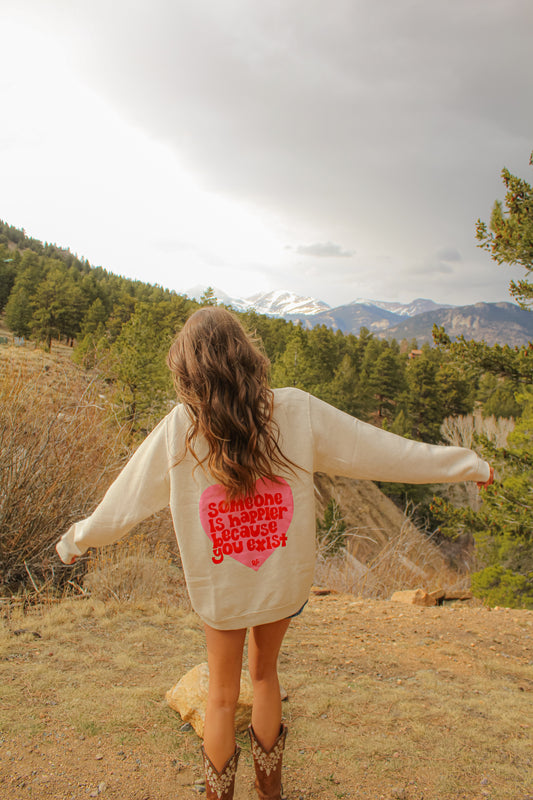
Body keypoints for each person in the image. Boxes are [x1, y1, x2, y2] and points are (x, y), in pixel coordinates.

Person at [56, 306, 494, 800]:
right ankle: (270, 792)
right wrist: (467, 465)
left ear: (186, 368)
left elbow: (124, 501)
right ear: (247, 354)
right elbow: (384, 450)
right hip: (281, 585)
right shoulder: (296, 410)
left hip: (220, 591)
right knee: (264, 677)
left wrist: (78, 541)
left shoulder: (180, 427)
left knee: (221, 698)